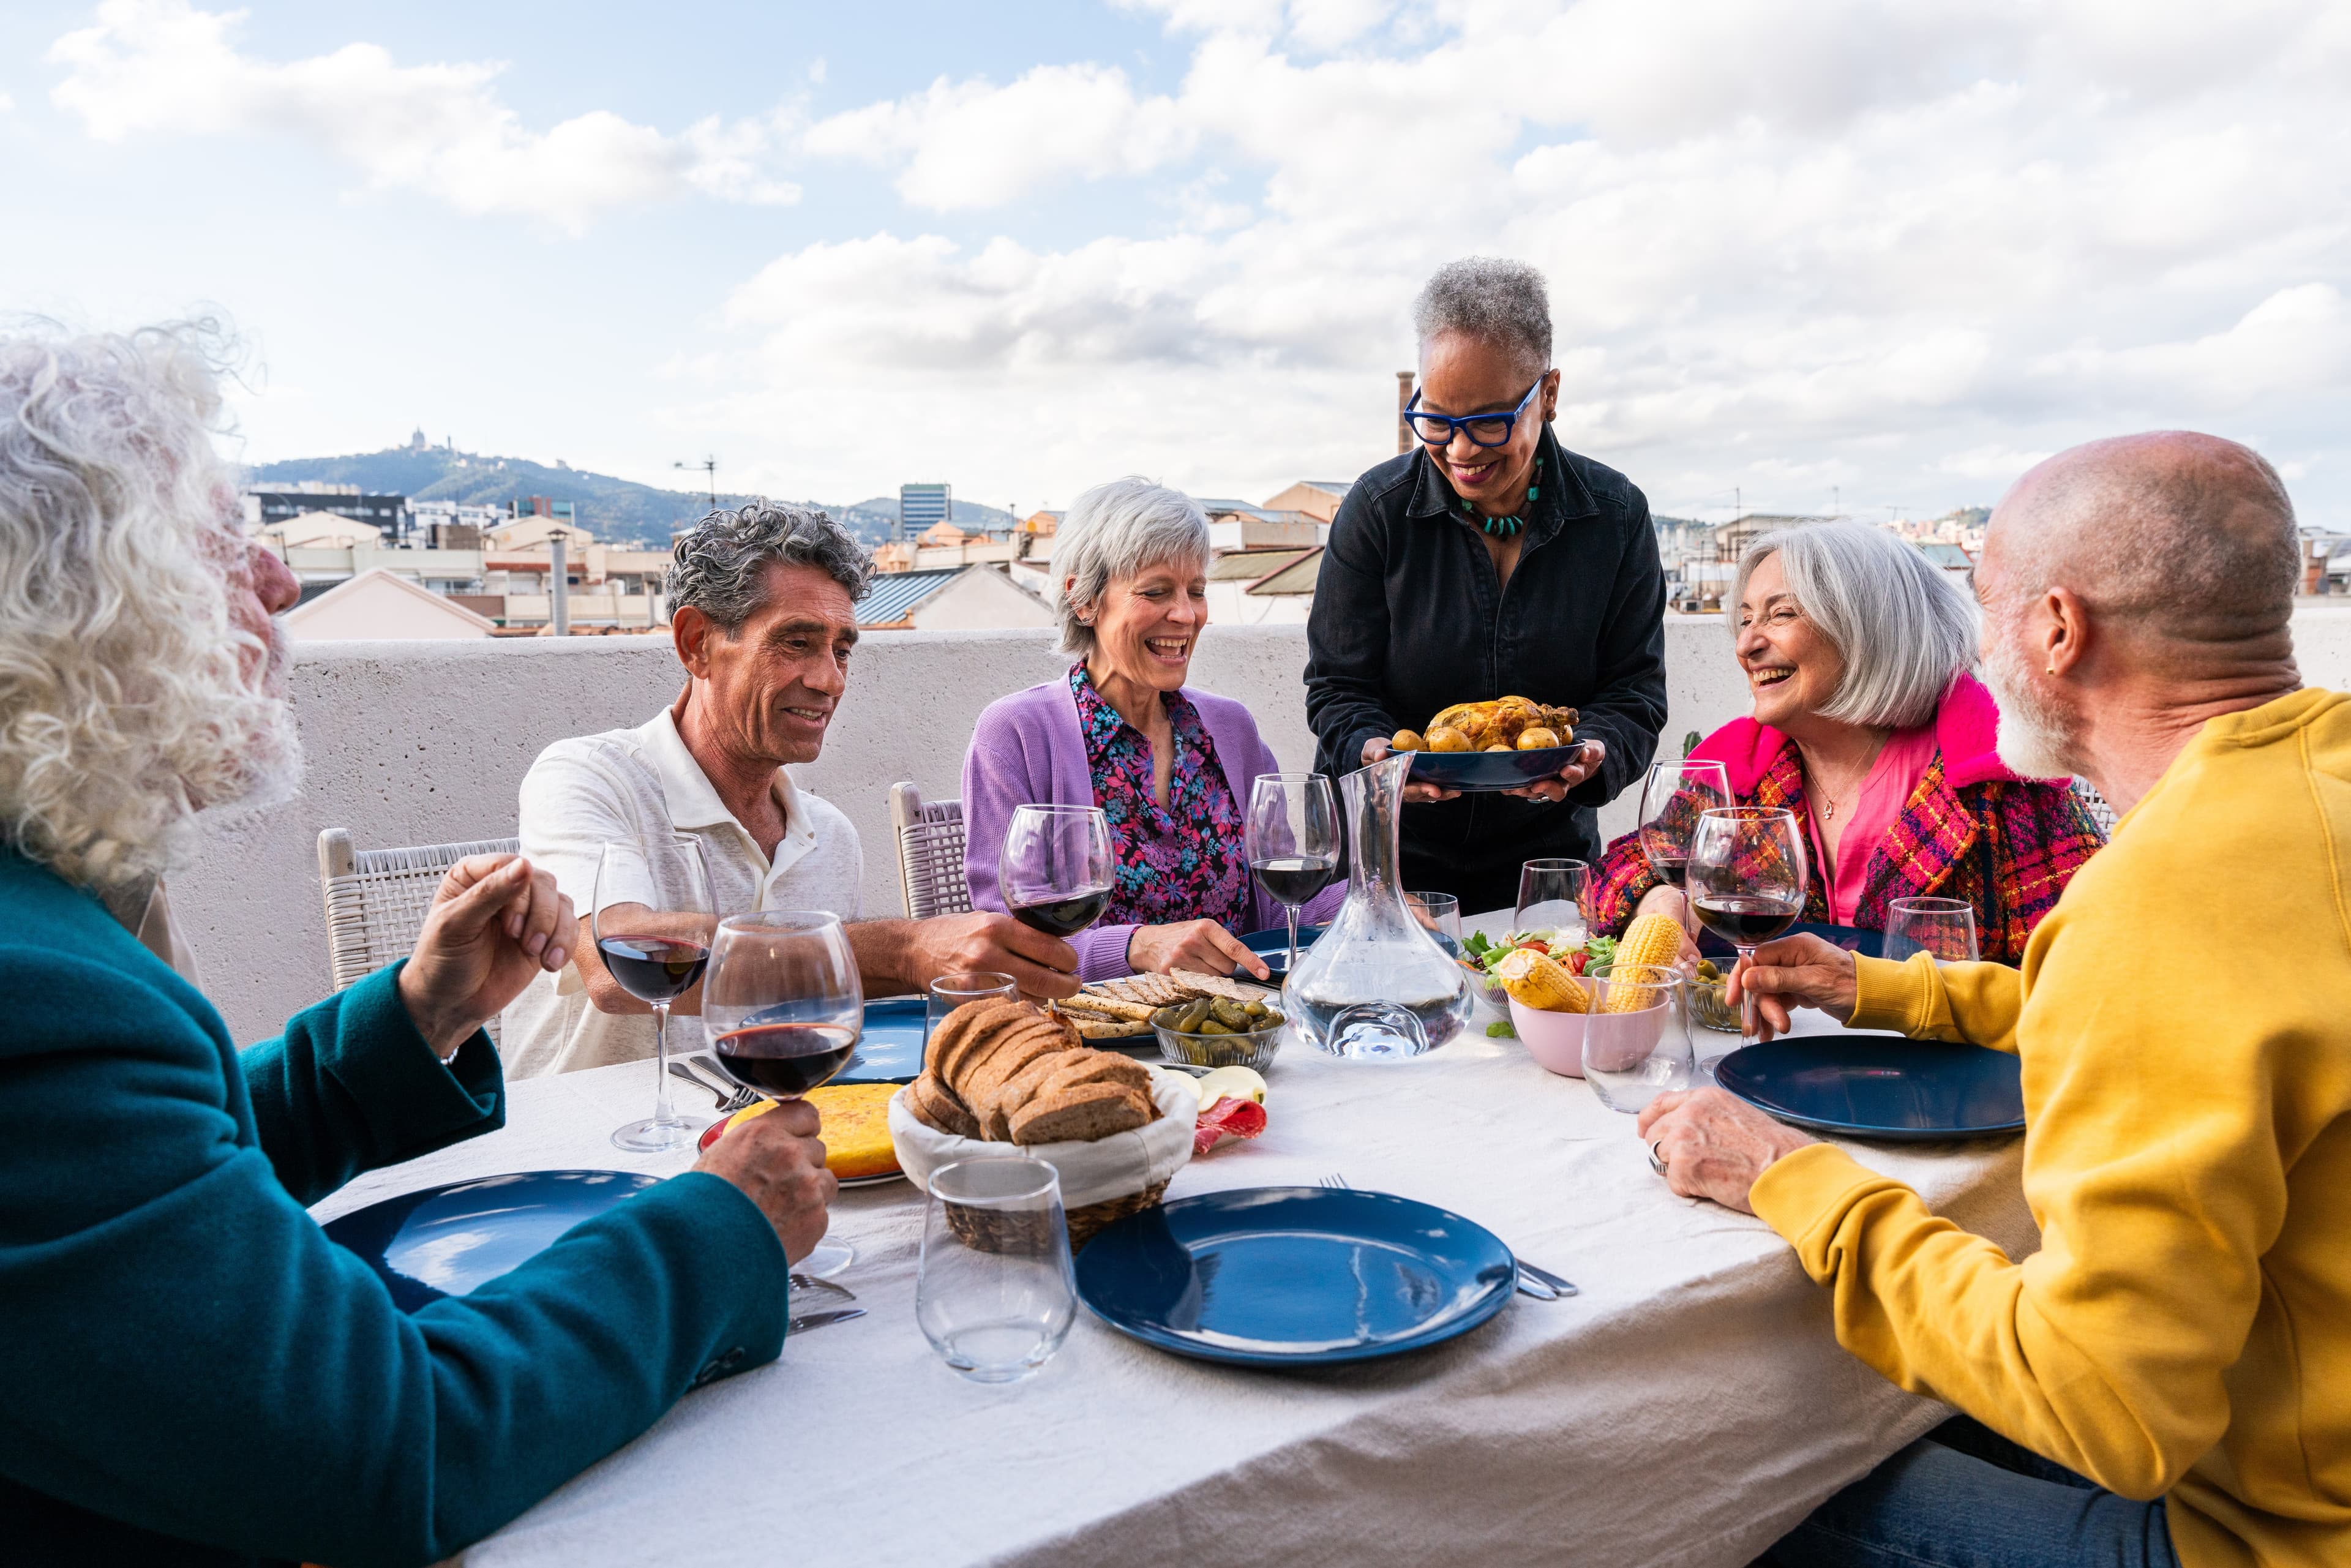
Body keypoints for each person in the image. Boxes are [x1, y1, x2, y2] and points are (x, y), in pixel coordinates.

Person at [0, 326, 836, 1566]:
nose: (282, 584)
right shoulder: (40, 995)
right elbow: (390, 1443)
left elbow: (164, 1180)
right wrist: (721, 1227)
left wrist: (414, 1015)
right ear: (90, 598)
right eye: (227, 544)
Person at [1638, 432, 2347, 1568]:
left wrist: (1786, 1176)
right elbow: (2193, 1016)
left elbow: (2105, 1406)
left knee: (1731, 1460)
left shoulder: (2163, 900)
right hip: (2273, 1419)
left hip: (2270, 1535)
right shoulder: (2313, 790)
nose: (1966, 648)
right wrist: (1880, 985)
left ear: (2058, 630)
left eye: (1983, 604)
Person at [502, 501, 1082, 1078]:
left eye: (842, 650)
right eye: (796, 643)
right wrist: (905, 950)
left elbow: (823, 1017)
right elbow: (619, 958)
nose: (830, 679)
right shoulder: (588, 776)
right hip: (588, 1153)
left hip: (762, 1138)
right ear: (696, 642)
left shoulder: (830, 836)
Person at [1305, 257, 1668, 915]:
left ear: (1549, 394)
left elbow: (1635, 694)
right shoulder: (1377, 510)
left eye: (1490, 421)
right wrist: (1378, 757)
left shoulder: (1616, 516)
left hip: (1547, 876)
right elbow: (1338, 689)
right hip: (1388, 870)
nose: (1461, 450)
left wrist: (1593, 754)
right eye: (1437, 419)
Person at [1588, 520, 2104, 962]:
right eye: (1745, 619)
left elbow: (2087, 979)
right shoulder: (1743, 771)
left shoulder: (2004, 782)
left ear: (1868, 627)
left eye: (1780, 614)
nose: (1746, 644)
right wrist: (1656, 897)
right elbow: (1611, 875)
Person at [964, 478, 1346, 981]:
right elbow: (1005, 941)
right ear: (1084, 601)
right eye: (1156, 591)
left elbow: (1281, 911)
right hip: (1091, 1037)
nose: (1186, 615)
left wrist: (1374, 901)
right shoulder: (1016, 734)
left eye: (1197, 591)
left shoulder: (1232, 730)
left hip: (1235, 1030)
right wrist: (1137, 947)